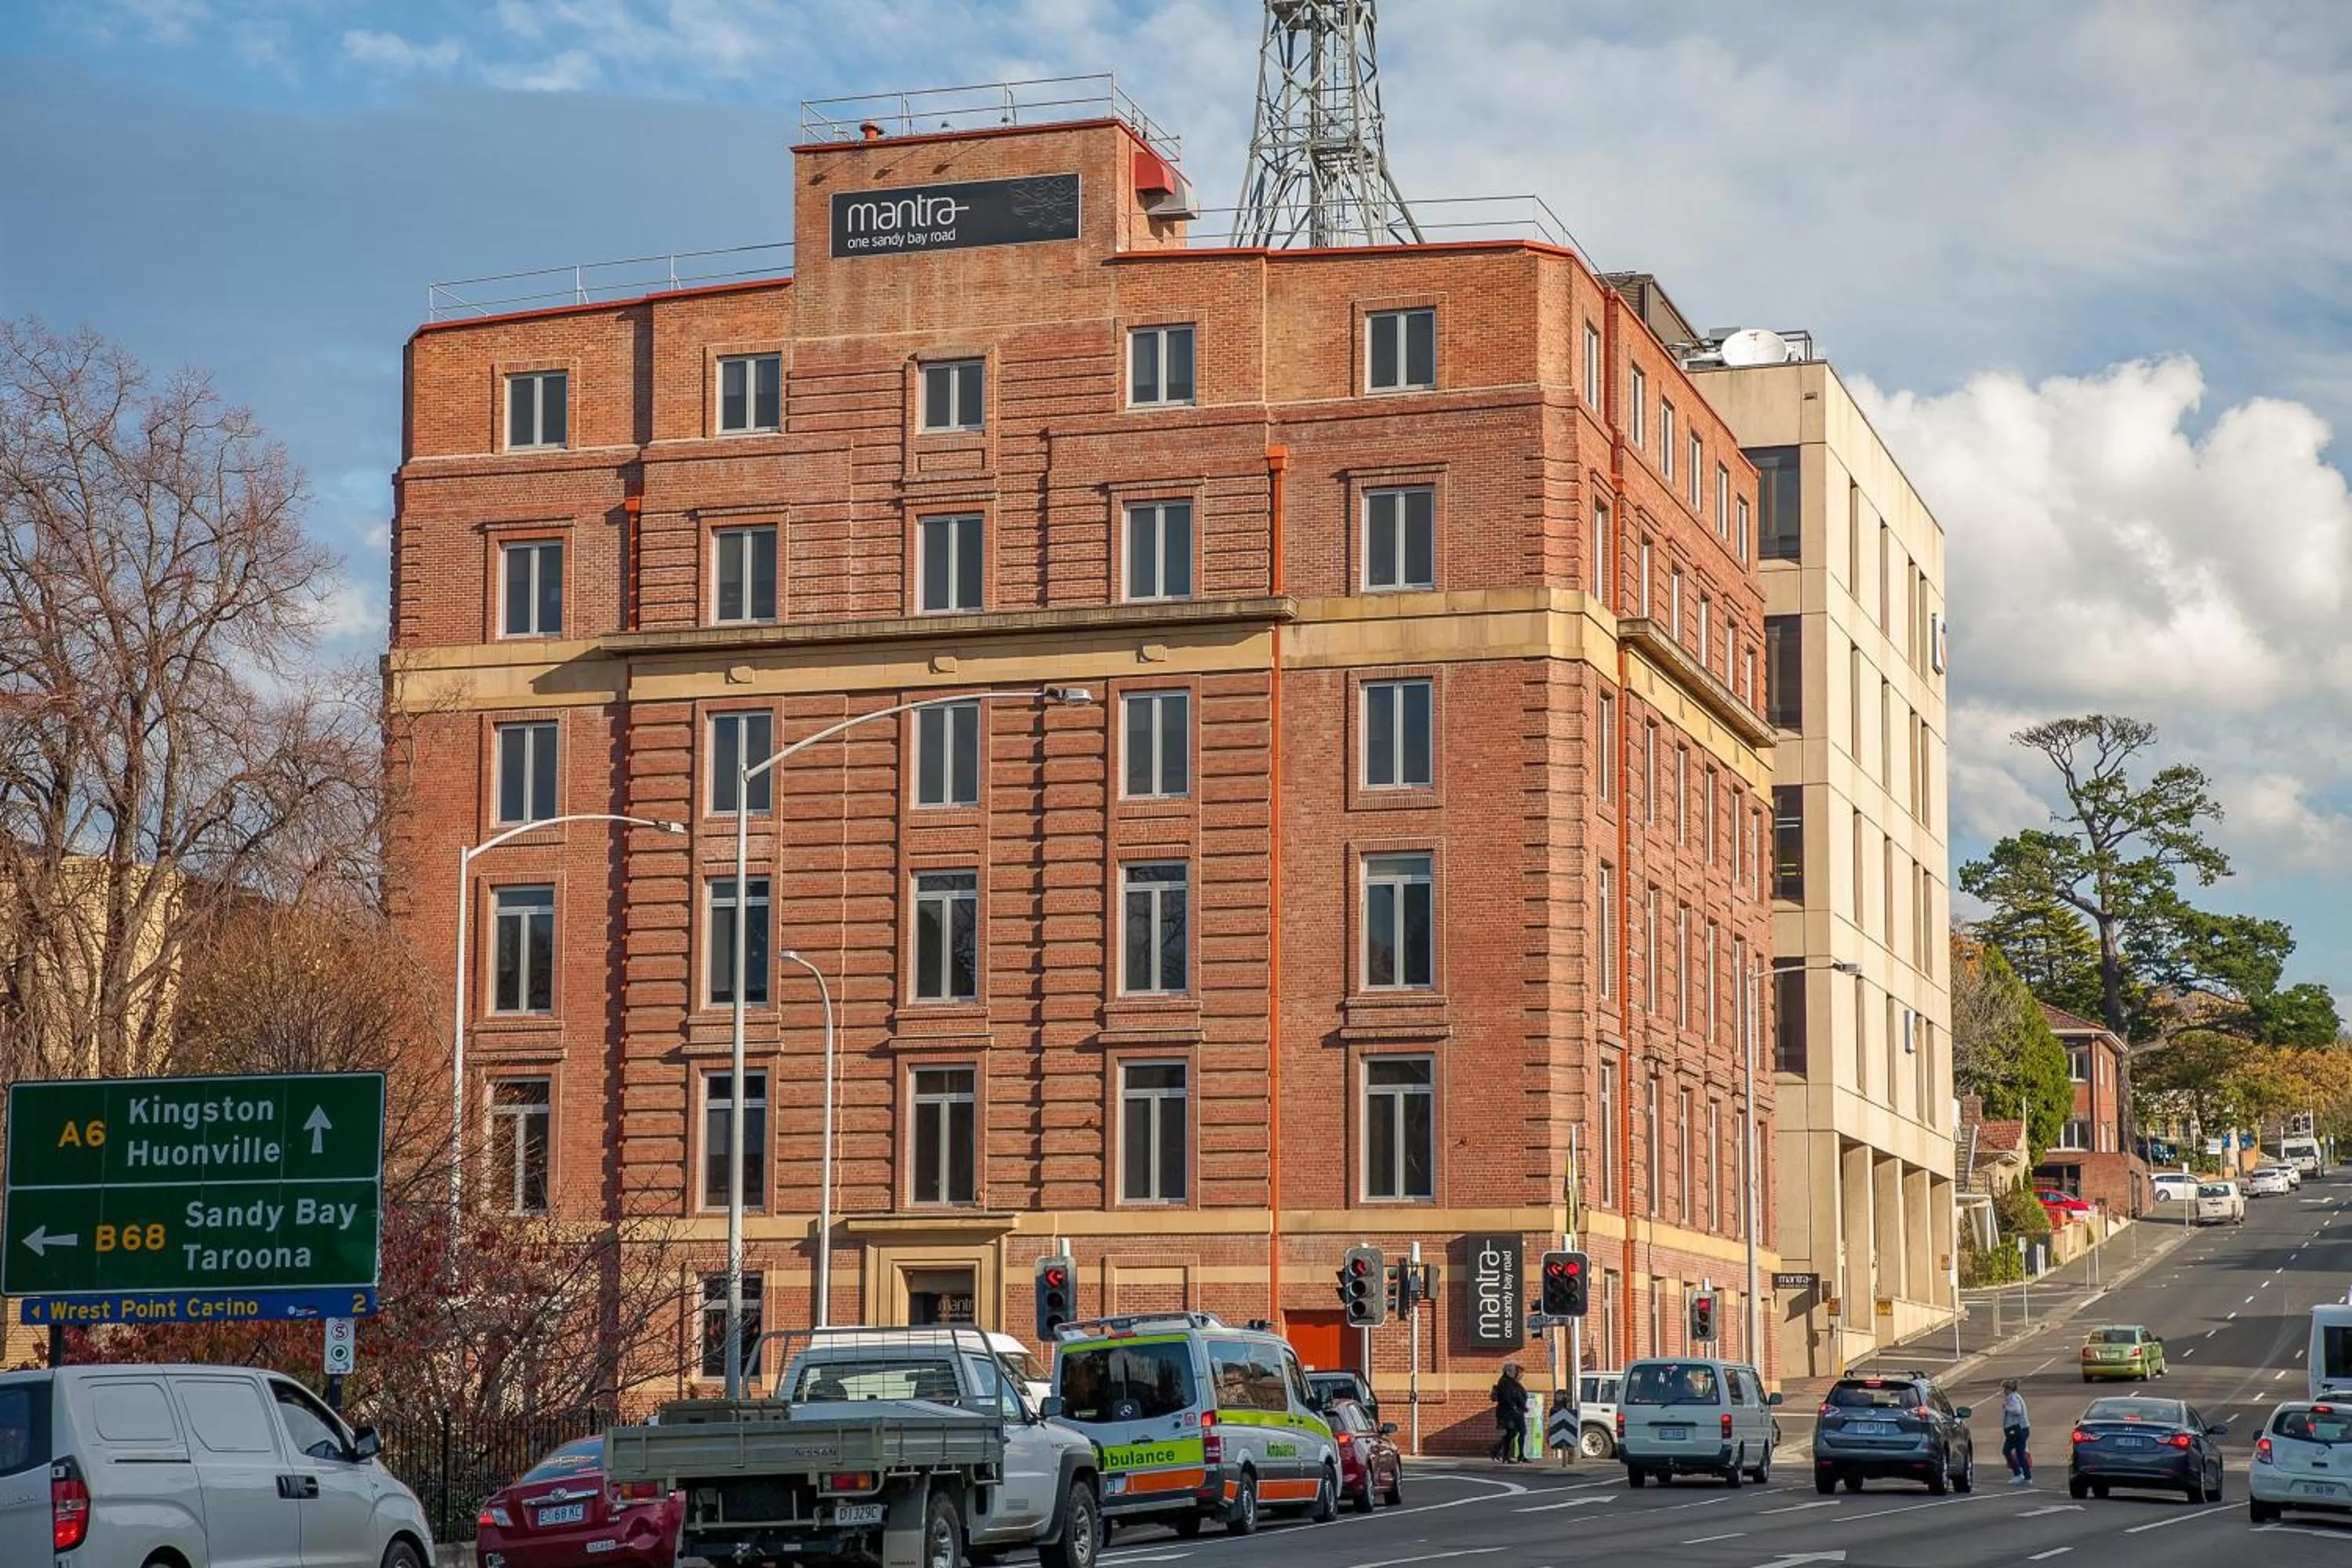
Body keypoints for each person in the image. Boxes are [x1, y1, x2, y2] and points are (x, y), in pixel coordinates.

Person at [1490, 1361, 1528, 1461]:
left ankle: (1498, 1450)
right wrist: (1514, 1407)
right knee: (1513, 1433)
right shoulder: (1505, 1382)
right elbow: (1508, 1397)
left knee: (1515, 1433)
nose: (1516, 1373)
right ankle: (1506, 1455)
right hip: (1509, 1413)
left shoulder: (1512, 1382)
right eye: (1514, 1371)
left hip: (1516, 1411)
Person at [2000, 1378, 2032, 1484]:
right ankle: (2026, 1476)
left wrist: (2007, 1408)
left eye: (2004, 1388)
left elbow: (2017, 1410)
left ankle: (2019, 1474)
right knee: (2019, 1452)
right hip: (2021, 1429)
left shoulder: (2013, 1398)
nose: (2003, 1391)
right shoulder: (2016, 1397)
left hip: (2018, 1430)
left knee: (2008, 1450)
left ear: (2009, 1389)